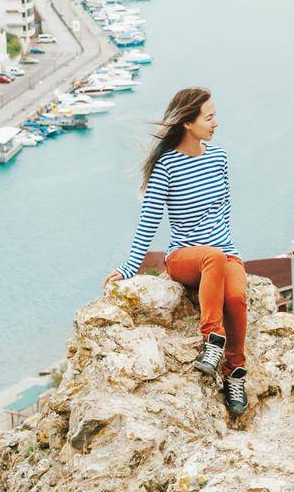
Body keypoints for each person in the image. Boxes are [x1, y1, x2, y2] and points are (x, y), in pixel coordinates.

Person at [102, 87, 248, 417]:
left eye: (215, 116)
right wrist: (128, 268)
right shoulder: (166, 167)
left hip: (224, 252)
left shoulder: (219, 159)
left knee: (237, 296)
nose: (215, 123)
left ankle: (235, 373)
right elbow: (148, 222)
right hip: (184, 257)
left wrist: (229, 253)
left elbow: (223, 209)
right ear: (187, 123)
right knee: (211, 256)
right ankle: (213, 340)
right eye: (209, 117)